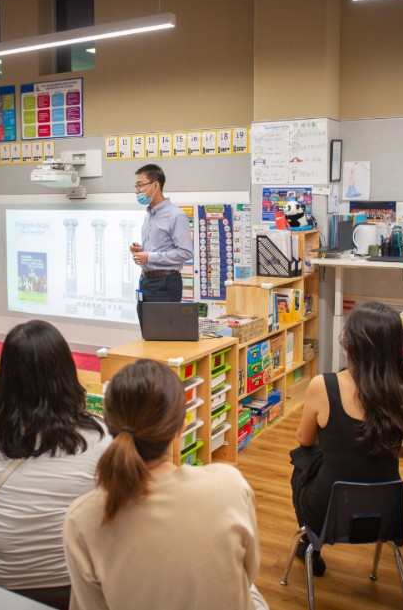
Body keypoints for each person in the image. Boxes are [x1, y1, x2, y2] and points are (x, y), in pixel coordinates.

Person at [64, 359, 267, 610]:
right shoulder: (229, 485)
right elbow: (248, 573)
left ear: (109, 426)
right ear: (181, 427)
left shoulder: (82, 518)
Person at [0, 320, 108, 609]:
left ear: (6, 374)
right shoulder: (97, 437)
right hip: (74, 581)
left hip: (1, 577)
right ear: (66, 371)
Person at [290, 301, 403, 574]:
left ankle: (311, 544)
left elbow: (304, 439)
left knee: (301, 459)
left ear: (349, 344)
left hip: (327, 513)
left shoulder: (324, 385)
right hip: (385, 513)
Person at [129, 164, 193, 325]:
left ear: (155, 185)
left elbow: (185, 252)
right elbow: (161, 248)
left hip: (166, 284)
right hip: (145, 282)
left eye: (140, 185)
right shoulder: (149, 215)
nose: (137, 190)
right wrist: (141, 251)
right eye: (136, 186)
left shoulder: (176, 216)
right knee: (147, 334)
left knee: (163, 336)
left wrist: (149, 256)